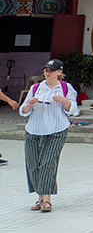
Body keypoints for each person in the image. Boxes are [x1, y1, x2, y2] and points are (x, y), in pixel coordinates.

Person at [18, 59, 79, 212]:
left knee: (48, 163)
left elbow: (72, 110)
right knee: (33, 164)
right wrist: (30, 104)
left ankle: (47, 200)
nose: (47, 73)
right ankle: (39, 197)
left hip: (57, 129)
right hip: (34, 129)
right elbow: (23, 111)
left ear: (59, 72)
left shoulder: (66, 88)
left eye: (51, 70)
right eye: (46, 70)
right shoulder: (36, 87)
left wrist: (64, 100)